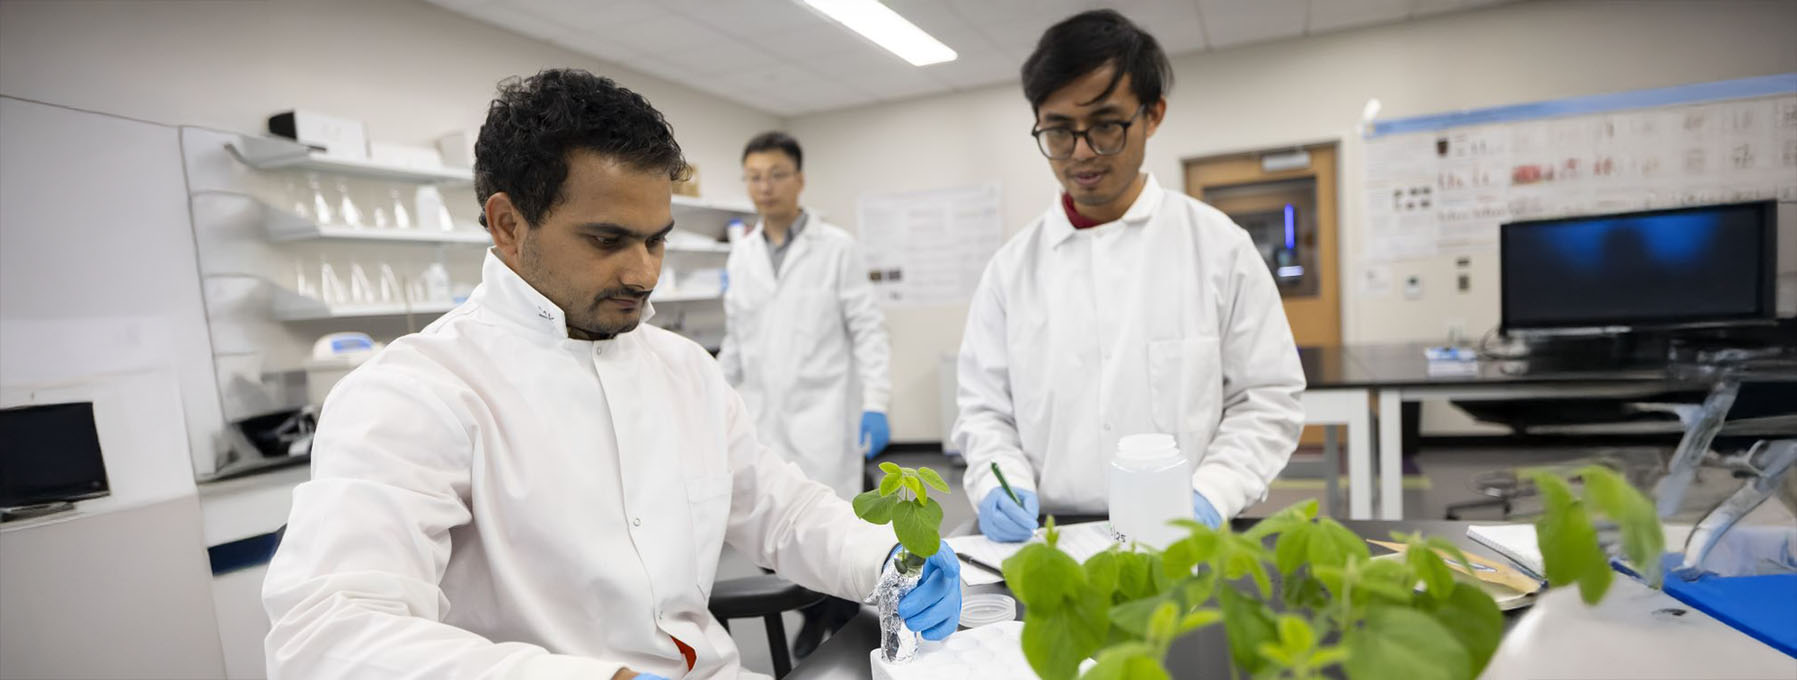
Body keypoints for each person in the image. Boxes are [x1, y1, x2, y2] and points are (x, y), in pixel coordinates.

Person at [261, 69, 958, 680]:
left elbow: (783, 510)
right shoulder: (415, 393)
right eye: (608, 240)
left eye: (657, 240)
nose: (644, 272)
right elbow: (327, 635)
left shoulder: (683, 370)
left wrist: (886, 558)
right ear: (507, 225)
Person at [954, 10, 1306, 542]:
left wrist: (1212, 494)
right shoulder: (1010, 270)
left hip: (1180, 534)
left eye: (1105, 125)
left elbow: (1267, 398)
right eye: (1058, 130)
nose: (1081, 153)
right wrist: (998, 482)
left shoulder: (1219, 247)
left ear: (1152, 114)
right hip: (1047, 538)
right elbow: (983, 412)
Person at [719, 131, 894, 657]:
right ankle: (817, 615)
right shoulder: (741, 255)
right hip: (762, 417)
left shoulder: (836, 247)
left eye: (776, 174)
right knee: (767, 535)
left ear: (799, 179)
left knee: (830, 529)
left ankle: (835, 622)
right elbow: (736, 340)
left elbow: (867, 329)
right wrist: (711, 396)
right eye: (754, 177)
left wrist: (876, 403)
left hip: (825, 416)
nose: (765, 187)